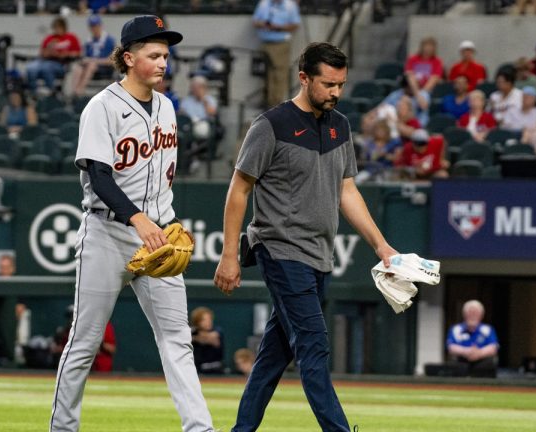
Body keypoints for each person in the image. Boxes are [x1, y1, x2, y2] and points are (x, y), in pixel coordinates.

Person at [214, 42, 398, 432]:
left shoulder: (340, 126)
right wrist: (229, 255)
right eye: (328, 84)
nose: (335, 92)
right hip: (280, 248)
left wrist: (381, 246)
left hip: (319, 254)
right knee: (314, 345)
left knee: (273, 355)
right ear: (304, 78)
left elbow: (347, 191)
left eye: (341, 85)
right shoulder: (270, 126)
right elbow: (238, 190)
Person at [49, 15, 217, 432]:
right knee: (85, 342)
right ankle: (62, 427)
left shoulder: (166, 107)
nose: (164, 62)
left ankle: (200, 428)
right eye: (154, 54)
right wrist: (139, 218)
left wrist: (168, 219)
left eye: (166, 55)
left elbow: (161, 179)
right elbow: (98, 176)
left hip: (158, 235)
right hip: (107, 233)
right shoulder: (101, 107)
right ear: (128, 57)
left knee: (178, 340)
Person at [252, 0, 301, 108]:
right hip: (265, 43)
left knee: (279, 73)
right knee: (266, 73)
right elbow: (255, 21)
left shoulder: (290, 5)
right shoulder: (264, 3)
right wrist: (263, 24)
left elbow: (295, 25)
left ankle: (276, 102)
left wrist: (278, 27)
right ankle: (268, 100)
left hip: (280, 44)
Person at [25, 17, 82, 92]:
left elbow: (78, 53)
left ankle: (52, 92)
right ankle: (33, 94)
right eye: (55, 27)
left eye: (59, 27)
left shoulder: (71, 38)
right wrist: (50, 50)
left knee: (47, 68)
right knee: (30, 68)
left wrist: (65, 54)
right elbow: (42, 53)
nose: (56, 30)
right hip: (45, 61)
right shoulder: (49, 38)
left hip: (61, 64)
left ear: (64, 27)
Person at [446, 300, 499, 378]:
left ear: (481, 315)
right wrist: (467, 351)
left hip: (482, 360)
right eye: (470, 312)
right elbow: (451, 347)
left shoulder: (488, 329)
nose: (472, 315)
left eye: (475, 313)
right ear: (464, 314)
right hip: (461, 360)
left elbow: (493, 348)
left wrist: (479, 353)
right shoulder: (455, 329)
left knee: (489, 363)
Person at [70, 14, 116, 97]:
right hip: (90, 67)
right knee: (77, 67)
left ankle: (79, 91)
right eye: (92, 26)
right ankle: (74, 92)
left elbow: (111, 60)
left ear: (100, 25)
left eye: (96, 26)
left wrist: (93, 61)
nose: (94, 28)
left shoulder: (109, 40)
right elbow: (85, 57)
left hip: (105, 68)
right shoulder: (89, 41)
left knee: (91, 65)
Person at [190, 307, 224, 374]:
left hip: (216, 370)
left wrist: (197, 337)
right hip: (197, 370)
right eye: (204, 320)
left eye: (209, 319)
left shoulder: (217, 330)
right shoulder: (192, 331)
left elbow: (214, 338)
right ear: (197, 322)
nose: (208, 322)